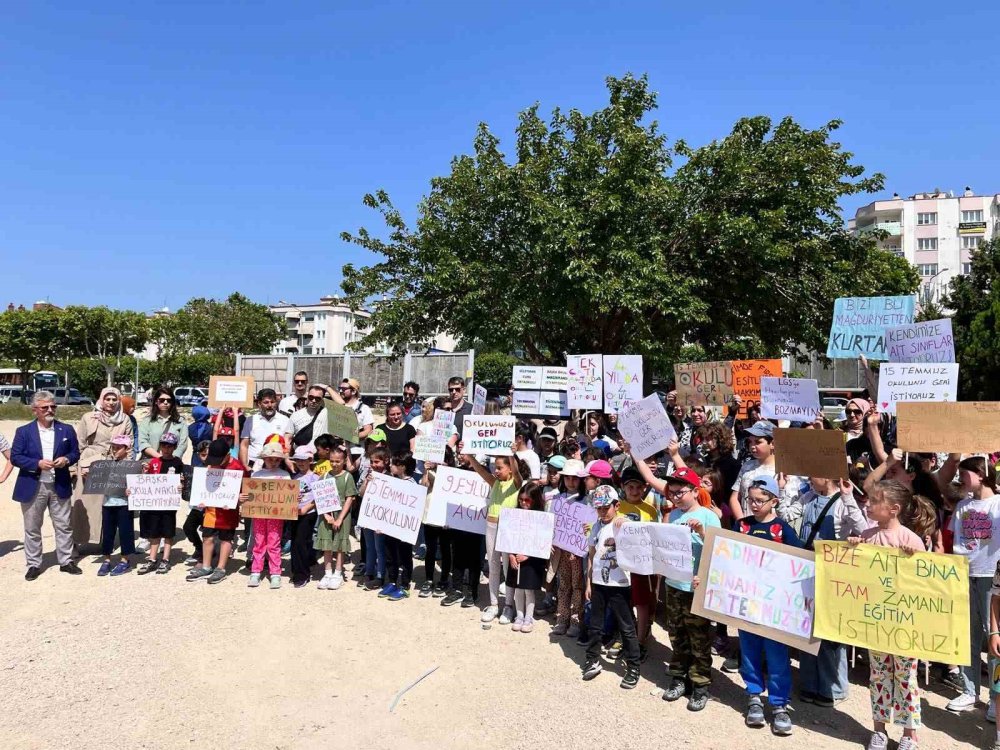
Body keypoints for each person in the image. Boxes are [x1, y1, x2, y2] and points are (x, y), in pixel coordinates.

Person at [847, 480, 925, 750]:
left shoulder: (910, 540)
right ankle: (879, 730)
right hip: (876, 620)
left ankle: (909, 734)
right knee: (878, 675)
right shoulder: (867, 536)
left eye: (875, 501)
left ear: (894, 509)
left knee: (905, 677)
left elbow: (926, 583)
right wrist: (853, 549)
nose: (868, 504)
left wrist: (914, 560)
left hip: (905, 622)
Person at [782, 476, 866, 706]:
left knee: (830, 632)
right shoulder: (808, 496)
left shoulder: (843, 501)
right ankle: (809, 683)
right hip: (808, 568)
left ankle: (834, 687)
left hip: (835, 573)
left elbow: (864, 529)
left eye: (815, 473)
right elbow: (786, 516)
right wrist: (782, 492)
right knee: (807, 627)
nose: (810, 477)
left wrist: (849, 498)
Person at [734, 476, 800, 736]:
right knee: (749, 650)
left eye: (760, 500)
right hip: (746, 602)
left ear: (774, 501)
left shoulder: (783, 529)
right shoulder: (742, 525)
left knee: (777, 654)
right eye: (750, 499)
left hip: (775, 607)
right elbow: (728, 558)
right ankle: (753, 696)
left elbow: (800, 562)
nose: (753, 504)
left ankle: (779, 703)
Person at [660, 468, 721, 712]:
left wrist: (702, 533)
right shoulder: (672, 515)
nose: (675, 497)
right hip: (674, 585)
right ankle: (678, 676)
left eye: (680, 492)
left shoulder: (709, 517)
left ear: (696, 492)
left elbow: (719, 551)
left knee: (699, 637)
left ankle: (700, 684)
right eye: (672, 492)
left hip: (697, 588)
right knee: (676, 634)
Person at [945, 455, 1000, 714]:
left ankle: (995, 699)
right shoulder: (962, 507)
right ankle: (970, 690)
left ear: (981, 474)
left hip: (992, 577)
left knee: (994, 637)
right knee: (967, 635)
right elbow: (953, 539)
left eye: (965, 474)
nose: (961, 479)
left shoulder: (998, 504)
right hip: (964, 575)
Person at [11, 390, 82, 580]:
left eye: (53, 406)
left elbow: (76, 452)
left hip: (59, 483)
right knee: (32, 527)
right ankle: (34, 564)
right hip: (33, 485)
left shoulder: (66, 429)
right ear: (35, 410)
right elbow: (15, 457)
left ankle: (66, 561)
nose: (50, 410)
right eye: (45, 407)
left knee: (64, 525)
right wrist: (36, 464)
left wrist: (66, 459)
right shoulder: (24, 432)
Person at [581, 486, 641, 689]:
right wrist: (589, 582)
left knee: (626, 626)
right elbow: (591, 555)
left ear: (616, 505)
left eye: (606, 507)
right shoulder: (595, 527)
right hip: (598, 583)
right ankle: (592, 659)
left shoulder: (623, 523)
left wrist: (626, 523)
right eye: (598, 508)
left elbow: (639, 535)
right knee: (595, 625)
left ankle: (634, 666)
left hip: (620, 584)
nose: (602, 511)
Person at [467, 453, 524, 624]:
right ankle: (493, 604)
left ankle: (508, 605)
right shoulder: (495, 482)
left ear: (510, 469)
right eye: (495, 468)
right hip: (491, 527)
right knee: (493, 566)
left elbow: (518, 473)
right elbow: (480, 471)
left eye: (500, 468)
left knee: (507, 568)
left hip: (508, 529)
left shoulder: (516, 483)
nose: (496, 471)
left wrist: (512, 457)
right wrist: (470, 456)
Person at [73, 386, 133, 546]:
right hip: (90, 463)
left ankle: (105, 543)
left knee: (109, 505)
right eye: (108, 399)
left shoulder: (124, 419)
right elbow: (80, 444)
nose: (111, 402)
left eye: (114, 399)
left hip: (115, 463)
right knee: (84, 505)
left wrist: (128, 469)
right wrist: (80, 465)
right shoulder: (88, 417)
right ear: (101, 399)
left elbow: (130, 446)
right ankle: (78, 542)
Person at [186, 439, 248, 585]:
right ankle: (206, 566)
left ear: (228, 455)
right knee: (207, 536)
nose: (214, 463)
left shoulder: (238, 468)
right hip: (211, 509)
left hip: (228, 512)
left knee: (226, 538)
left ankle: (220, 568)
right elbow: (203, 485)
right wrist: (200, 497)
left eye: (218, 460)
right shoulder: (210, 465)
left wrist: (240, 497)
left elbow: (246, 490)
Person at [242, 442, 291, 589]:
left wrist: (294, 498)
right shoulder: (256, 475)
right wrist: (243, 497)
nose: (274, 462)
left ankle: (275, 573)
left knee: (274, 542)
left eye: (277, 459)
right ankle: (255, 571)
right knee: (259, 542)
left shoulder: (285, 475)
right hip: (258, 515)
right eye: (270, 459)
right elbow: (250, 495)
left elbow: (288, 494)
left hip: (276, 516)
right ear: (263, 459)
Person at [136, 432, 184, 575]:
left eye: (169, 446)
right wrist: (144, 473)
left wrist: (180, 485)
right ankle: (152, 559)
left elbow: (182, 480)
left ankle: (165, 559)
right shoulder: (154, 462)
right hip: (155, 503)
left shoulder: (178, 462)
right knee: (154, 531)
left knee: (168, 532)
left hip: (169, 503)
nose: (166, 448)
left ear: (174, 447)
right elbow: (147, 481)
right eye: (163, 445)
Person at [505, 482, 549, 633]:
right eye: (521, 500)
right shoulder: (514, 514)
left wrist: (528, 555)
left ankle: (528, 617)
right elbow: (508, 536)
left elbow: (542, 541)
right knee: (517, 588)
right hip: (515, 557)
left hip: (532, 561)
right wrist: (511, 554)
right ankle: (519, 615)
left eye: (527, 500)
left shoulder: (541, 518)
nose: (523, 503)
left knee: (529, 589)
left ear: (535, 500)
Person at [551, 458, 588, 637]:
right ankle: (561, 618)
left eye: (574, 478)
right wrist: (550, 541)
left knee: (578, 586)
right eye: (567, 478)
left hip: (578, 553)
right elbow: (552, 523)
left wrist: (578, 548)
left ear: (581, 480)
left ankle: (576, 620)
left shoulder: (587, 501)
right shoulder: (557, 499)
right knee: (563, 584)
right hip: (560, 550)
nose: (571, 481)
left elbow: (588, 527)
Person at [315, 445, 358, 591]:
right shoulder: (325, 476)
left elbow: (349, 498)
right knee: (327, 545)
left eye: (338, 461)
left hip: (342, 516)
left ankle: (338, 574)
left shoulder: (347, 477)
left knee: (339, 546)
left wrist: (339, 518)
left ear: (344, 460)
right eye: (332, 461)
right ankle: (327, 573)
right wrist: (326, 515)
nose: (334, 464)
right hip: (326, 515)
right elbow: (319, 497)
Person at [96, 434, 137, 577]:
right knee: (107, 531)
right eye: (113, 447)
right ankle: (106, 559)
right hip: (108, 502)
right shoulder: (106, 463)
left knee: (125, 531)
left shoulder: (132, 465)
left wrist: (131, 489)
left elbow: (138, 485)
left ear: (127, 449)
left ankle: (125, 560)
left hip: (124, 503)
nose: (115, 450)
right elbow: (98, 480)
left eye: (118, 447)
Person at [379, 451, 417, 601]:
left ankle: (405, 586)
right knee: (390, 555)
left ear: (403, 467)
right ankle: (392, 582)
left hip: (404, 530)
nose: (391, 466)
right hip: (390, 527)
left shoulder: (412, 484)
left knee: (404, 557)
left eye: (394, 464)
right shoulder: (391, 481)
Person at [359, 446, 390, 591]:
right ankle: (369, 572)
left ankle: (380, 576)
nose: (373, 465)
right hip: (368, 516)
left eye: (377, 462)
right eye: (372, 462)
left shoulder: (390, 477)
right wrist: (367, 482)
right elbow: (361, 493)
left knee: (379, 549)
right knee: (369, 547)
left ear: (386, 461)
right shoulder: (369, 475)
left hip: (381, 519)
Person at [289, 445, 319, 588]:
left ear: (310, 460)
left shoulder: (315, 478)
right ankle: (296, 570)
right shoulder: (294, 477)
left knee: (302, 542)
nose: (300, 463)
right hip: (294, 513)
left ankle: (302, 574)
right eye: (297, 460)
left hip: (308, 514)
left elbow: (318, 498)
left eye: (303, 460)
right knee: (295, 542)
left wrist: (307, 508)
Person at [138, 386, 189, 460]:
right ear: (156, 401)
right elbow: (143, 443)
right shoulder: (147, 421)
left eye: (169, 400)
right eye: (162, 400)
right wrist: (160, 457)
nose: (165, 402)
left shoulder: (180, 421)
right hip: (151, 462)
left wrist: (171, 458)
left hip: (172, 462)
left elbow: (183, 444)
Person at [182, 440, 211, 565]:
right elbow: (188, 490)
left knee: (208, 532)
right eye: (203, 454)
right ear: (199, 455)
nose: (206, 457)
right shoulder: (195, 471)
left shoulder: (219, 470)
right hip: (198, 506)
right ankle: (199, 548)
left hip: (212, 508)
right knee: (188, 527)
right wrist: (184, 483)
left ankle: (207, 555)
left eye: (209, 454)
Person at [289, 385, 330, 453]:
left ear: (322, 399)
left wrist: (326, 387)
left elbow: (341, 403)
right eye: (311, 397)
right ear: (307, 397)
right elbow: (288, 437)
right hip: (300, 458)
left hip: (320, 458)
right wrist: (287, 457)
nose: (313, 401)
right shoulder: (295, 415)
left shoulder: (326, 412)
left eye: (317, 398)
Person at [338, 378, 374, 443]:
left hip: (356, 449)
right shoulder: (337, 406)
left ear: (354, 391)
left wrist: (350, 437)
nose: (340, 391)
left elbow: (368, 430)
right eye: (339, 388)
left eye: (344, 389)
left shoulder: (364, 409)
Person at [447, 377, 474, 441]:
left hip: (464, 449)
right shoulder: (443, 409)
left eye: (457, 389)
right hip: (445, 448)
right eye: (451, 390)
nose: (454, 392)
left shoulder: (472, 409)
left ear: (464, 390)